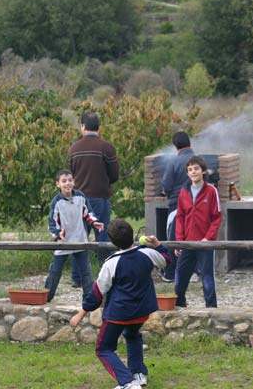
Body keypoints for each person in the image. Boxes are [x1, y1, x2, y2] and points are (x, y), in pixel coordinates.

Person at [70, 219, 171, 389]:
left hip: (119, 314)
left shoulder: (111, 263)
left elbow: (97, 292)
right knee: (132, 336)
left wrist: (81, 312)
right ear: (132, 235)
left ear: (112, 241)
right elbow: (166, 260)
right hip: (142, 311)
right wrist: (158, 244)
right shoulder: (147, 253)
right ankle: (139, 374)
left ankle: (128, 383)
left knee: (103, 348)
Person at [68, 111, 119, 286]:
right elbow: (114, 175)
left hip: (79, 200)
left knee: (78, 238)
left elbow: (70, 176)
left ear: (83, 126)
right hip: (100, 198)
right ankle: (104, 276)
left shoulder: (73, 149)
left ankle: (77, 277)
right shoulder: (107, 148)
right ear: (99, 127)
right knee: (102, 237)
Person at [45, 169, 104, 302]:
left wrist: (95, 222)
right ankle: (47, 297)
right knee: (55, 271)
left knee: (86, 272)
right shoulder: (56, 202)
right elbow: (52, 223)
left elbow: (88, 213)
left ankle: (90, 299)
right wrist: (57, 233)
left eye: (70, 180)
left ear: (74, 182)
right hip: (63, 241)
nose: (67, 184)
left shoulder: (80, 197)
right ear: (58, 184)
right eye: (64, 181)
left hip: (80, 239)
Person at [174, 156, 222, 308]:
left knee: (207, 277)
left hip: (205, 243)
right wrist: (179, 241)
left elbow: (217, 217)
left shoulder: (211, 191)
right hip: (187, 242)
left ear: (203, 171)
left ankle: (211, 308)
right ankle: (179, 304)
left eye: (196, 169)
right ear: (187, 174)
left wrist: (209, 238)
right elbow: (180, 217)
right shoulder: (183, 192)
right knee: (180, 277)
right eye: (190, 170)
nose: (193, 172)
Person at [160, 131, 195, 282]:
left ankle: (170, 273)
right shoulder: (198, 161)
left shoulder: (173, 162)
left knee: (172, 238)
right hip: (196, 205)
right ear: (190, 144)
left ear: (175, 146)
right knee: (193, 238)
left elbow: (166, 185)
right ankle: (194, 272)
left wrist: (165, 192)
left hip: (176, 205)